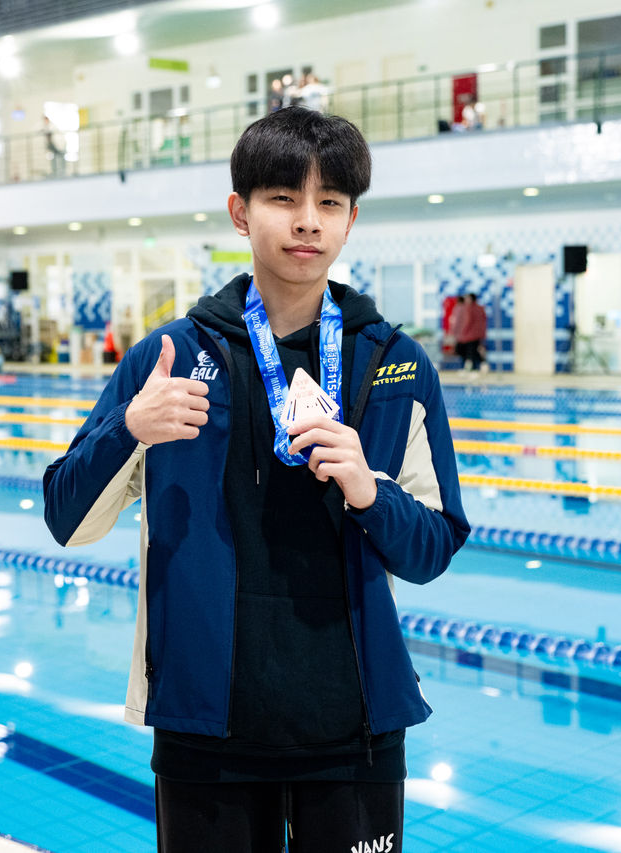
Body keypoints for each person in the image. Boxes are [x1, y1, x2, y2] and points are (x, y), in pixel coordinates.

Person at [43, 107, 469, 852]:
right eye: (283, 198)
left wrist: (370, 491)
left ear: (350, 221)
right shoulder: (170, 357)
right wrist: (128, 429)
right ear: (240, 212)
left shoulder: (397, 365)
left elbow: (433, 548)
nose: (307, 221)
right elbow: (66, 519)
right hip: (206, 725)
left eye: (329, 202)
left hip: (355, 727)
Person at [455, 292, 488, 371]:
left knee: (468, 351)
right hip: (478, 334)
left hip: (469, 335)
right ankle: (482, 365)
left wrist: (461, 332)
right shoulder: (480, 308)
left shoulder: (468, 308)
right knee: (475, 350)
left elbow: (467, 321)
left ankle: (469, 367)